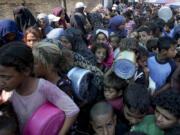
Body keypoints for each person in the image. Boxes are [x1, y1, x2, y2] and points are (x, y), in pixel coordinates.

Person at [0, 41, 79, 134]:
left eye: (6, 77)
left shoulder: (44, 88)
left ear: (26, 71)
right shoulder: (9, 91)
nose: (1, 82)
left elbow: (72, 110)